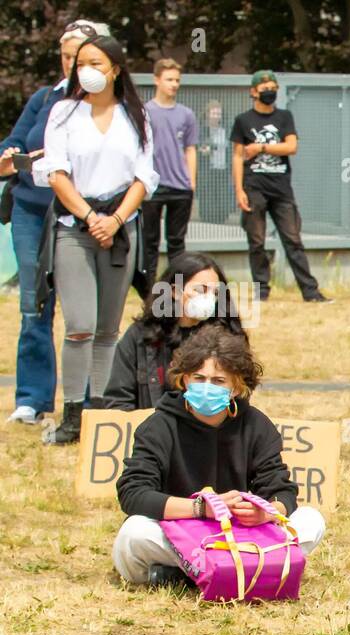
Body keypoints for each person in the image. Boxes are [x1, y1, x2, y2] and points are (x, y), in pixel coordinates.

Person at [113, 325, 325, 587]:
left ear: (237, 387)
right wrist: (201, 510)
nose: (206, 387)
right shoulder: (158, 426)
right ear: (183, 380)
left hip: (239, 535)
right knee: (133, 533)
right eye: (198, 378)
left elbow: (283, 492)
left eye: (218, 381)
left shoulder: (257, 426)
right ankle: (242, 573)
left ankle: (187, 577)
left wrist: (266, 513)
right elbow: (133, 493)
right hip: (181, 532)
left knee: (310, 520)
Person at [34, 34, 159, 446]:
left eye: (97, 63)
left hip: (121, 231)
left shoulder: (136, 116)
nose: (87, 70)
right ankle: (72, 412)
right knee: (80, 327)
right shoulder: (63, 114)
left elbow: (145, 176)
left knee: (107, 329)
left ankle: (104, 412)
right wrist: (90, 218)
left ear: (116, 70)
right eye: (81, 63)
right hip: (75, 229)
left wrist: (116, 220)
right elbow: (56, 173)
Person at [1, 19, 110, 426]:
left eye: (78, 57)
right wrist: (10, 154)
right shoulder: (45, 97)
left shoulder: (107, 106)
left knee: (87, 315)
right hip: (32, 211)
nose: (70, 64)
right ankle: (32, 399)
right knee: (34, 308)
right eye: (65, 56)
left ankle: (89, 400)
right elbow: (15, 141)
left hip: (81, 215)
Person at [231, 69, 329, 303]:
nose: (269, 92)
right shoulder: (243, 121)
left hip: (282, 188)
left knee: (293, 239)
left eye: (273, 88)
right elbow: (237, 156)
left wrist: (261, 148)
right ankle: (261, 290)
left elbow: (291, 146)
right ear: (253, 92)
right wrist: (239, 190)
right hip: (254, 186)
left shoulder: (284, 117)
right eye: (265, 89)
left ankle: (310, 291)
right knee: (256, 241)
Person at [105, 252, 246, 410]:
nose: (209, 298)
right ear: (174, 291)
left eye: (215, 293)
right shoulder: (141, 336)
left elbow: (239, 398)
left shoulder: (225, 339)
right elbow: (118, 399)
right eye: (200, 289)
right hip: (153, 429)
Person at [132, 58, 197, 301]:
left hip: (180, 187)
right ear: (157, 80)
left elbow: (190, 148)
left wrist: (192, 182)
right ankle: (149, 294)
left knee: (177, 243)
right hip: (152, 187)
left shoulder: (186, 114)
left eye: (177, 80)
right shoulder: (145, 112)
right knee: (150, 242)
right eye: (169, 79)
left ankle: (178, 290)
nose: (174, 84)